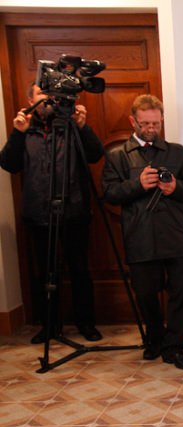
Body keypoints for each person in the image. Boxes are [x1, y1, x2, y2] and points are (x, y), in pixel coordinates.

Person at [102, 94, 183, 370]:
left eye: (156, 124)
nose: (151, 128)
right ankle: (155, 340)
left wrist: (176, 189)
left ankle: (175, 347)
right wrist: (138, 184)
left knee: (182, 290)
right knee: (145, 293)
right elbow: (109, 193)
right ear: (133, 121)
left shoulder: (178, 152)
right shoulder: (117, 156)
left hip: (176, 235)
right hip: (139, 236)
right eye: (145, 123)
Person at [0, 82, 104, 344]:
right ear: (30, 99)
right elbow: (9, 164)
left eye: (51, 96)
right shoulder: (26, 130)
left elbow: (95, 155)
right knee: (46, 273)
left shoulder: (71, 126)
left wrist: (82, 126)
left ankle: (86, 323)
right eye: (40, 95)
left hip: (75, 211)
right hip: (38, 214)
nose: (46, 101)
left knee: (80, 270)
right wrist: (17, 133)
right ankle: (49, 325)